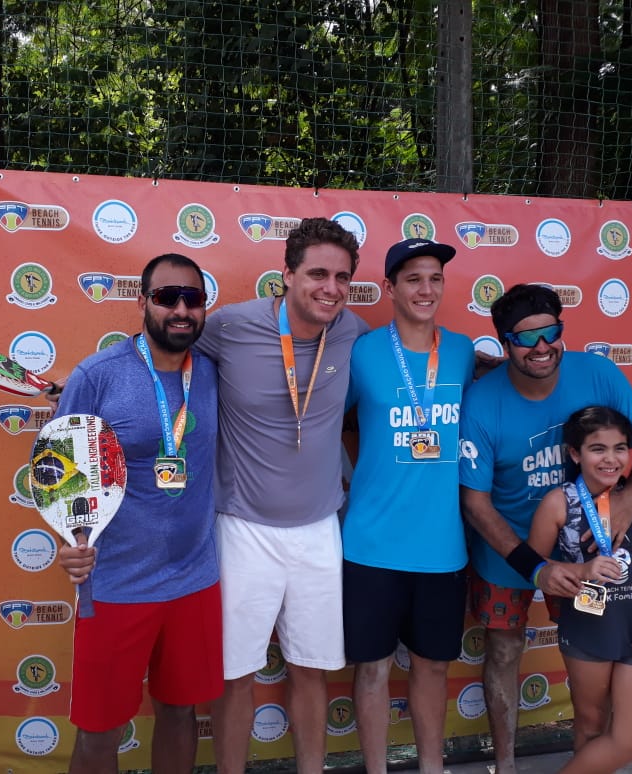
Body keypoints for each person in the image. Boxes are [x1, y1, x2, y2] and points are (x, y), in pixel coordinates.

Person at [458, 283, 632, 774]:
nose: (541, 346)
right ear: (505, 343)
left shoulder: (598, 372)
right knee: (504, 650)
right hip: (510, 550)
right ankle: (506, 766)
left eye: (550, 332)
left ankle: (591, 762)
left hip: (589, 549)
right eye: (524, 338)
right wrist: (535, 568)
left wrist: (628, 500)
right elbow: (475, 502)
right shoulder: (481, 402)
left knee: (602, 664)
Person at [194, 217, 368, 774]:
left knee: (311, 669)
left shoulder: (352, 331)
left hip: (319, 529)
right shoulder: (230, 326)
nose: (330, 288)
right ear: (287, 275)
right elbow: (161, 353)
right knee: (234, 674)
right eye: (317, 274)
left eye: (342, 277)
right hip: (242, 527)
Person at [55, 253, 223, 774]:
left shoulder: (213, 372)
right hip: (116, 585)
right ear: (142, 301)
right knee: (100, 730)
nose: (181, 310)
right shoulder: (97, 375)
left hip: (194, 578)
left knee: (180, 712)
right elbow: (60, 474)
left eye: (193, 299)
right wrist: (70, 541)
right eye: (167, 297)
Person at [341, 238, 475, 774]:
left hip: (442, 547)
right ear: (389, 288)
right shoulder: (362, 352)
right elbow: (331, 423)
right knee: (372, 669)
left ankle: (431, 768)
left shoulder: (463, 352)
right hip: (371, 544)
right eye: (414, 279)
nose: (426, 289)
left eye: (435, 278)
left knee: (433, 669)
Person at [526, 406, 632, 774]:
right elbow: (532, 566)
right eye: (598, 449)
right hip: (587, 628)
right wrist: (581, 570)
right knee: (591, 727)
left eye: (619, 448)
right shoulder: (559, 502)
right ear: (575, 454)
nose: (611, 459)